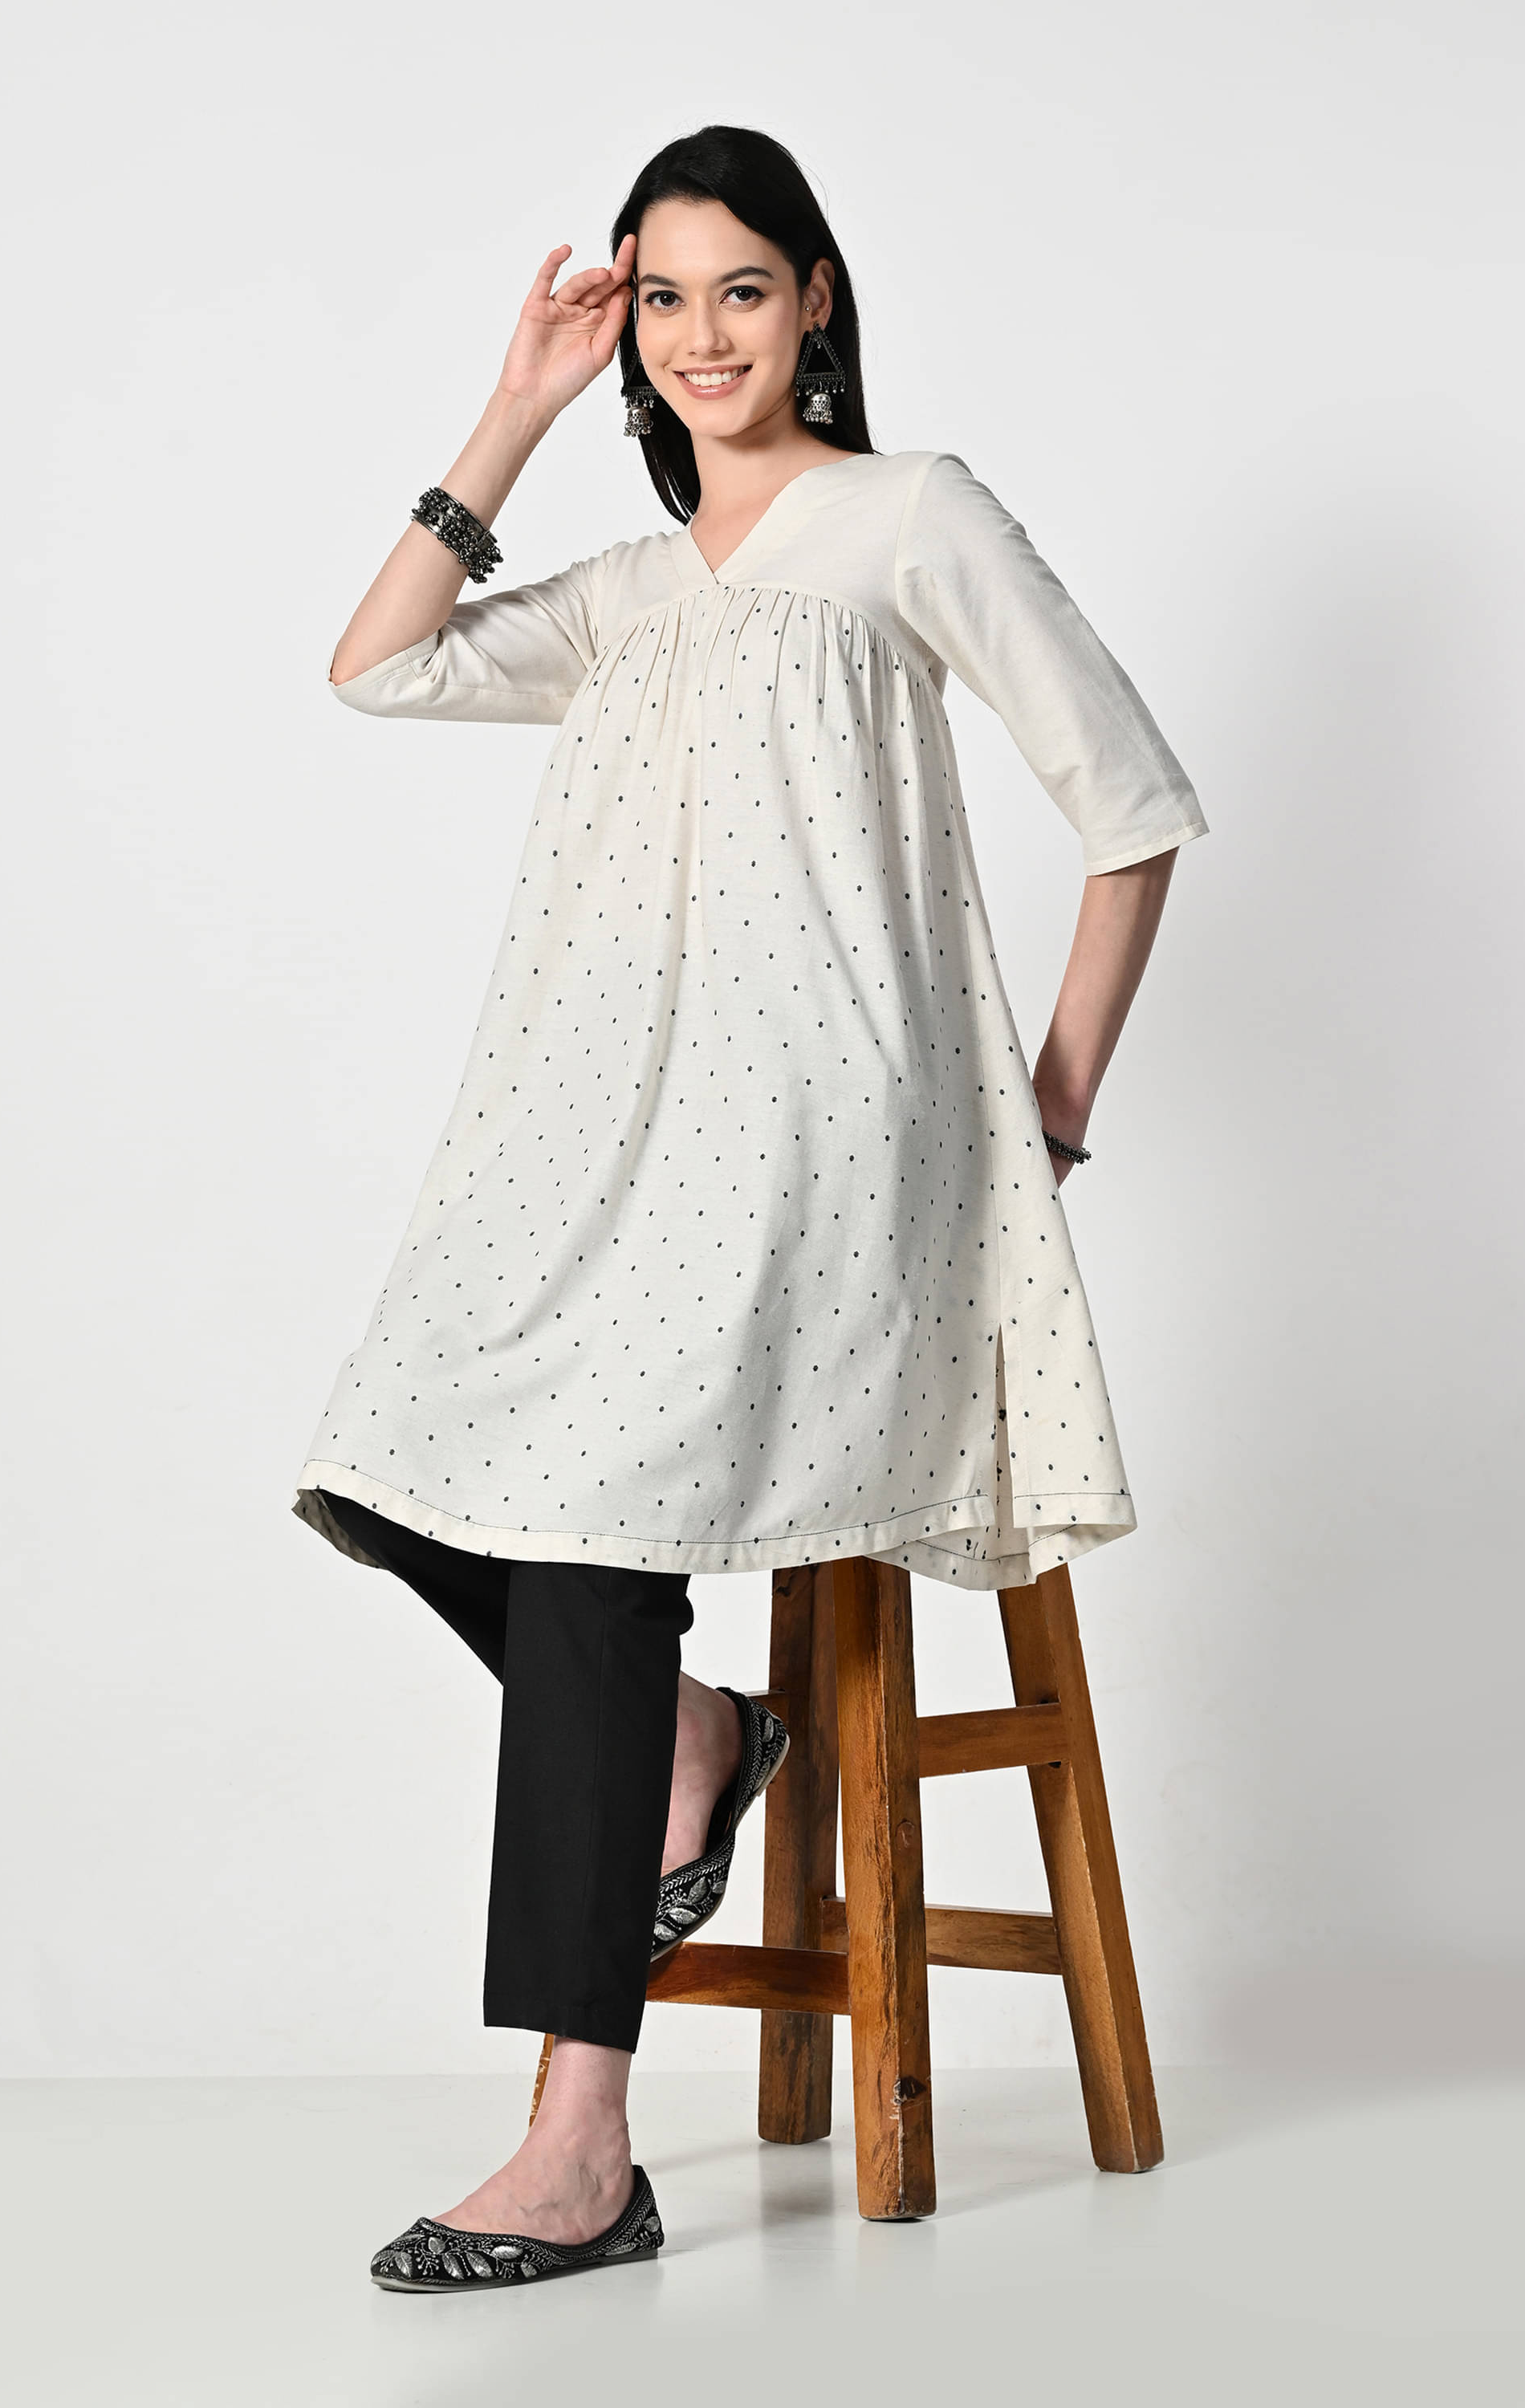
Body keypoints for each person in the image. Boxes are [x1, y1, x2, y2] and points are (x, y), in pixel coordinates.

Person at [293, 124, 1207, 2294]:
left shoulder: (912, 515)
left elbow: (1133, 806)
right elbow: (378, 664)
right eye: (663, 295)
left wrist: (1050, 1114)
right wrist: (516, 404)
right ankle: (700, 1739)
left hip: (838, 1142)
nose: (703, 335)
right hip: (611, 1144)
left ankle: (576, 2144)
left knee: (589, 1542)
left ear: (815, 302)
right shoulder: (631, 592)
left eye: (742, 288)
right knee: (389, 1461)